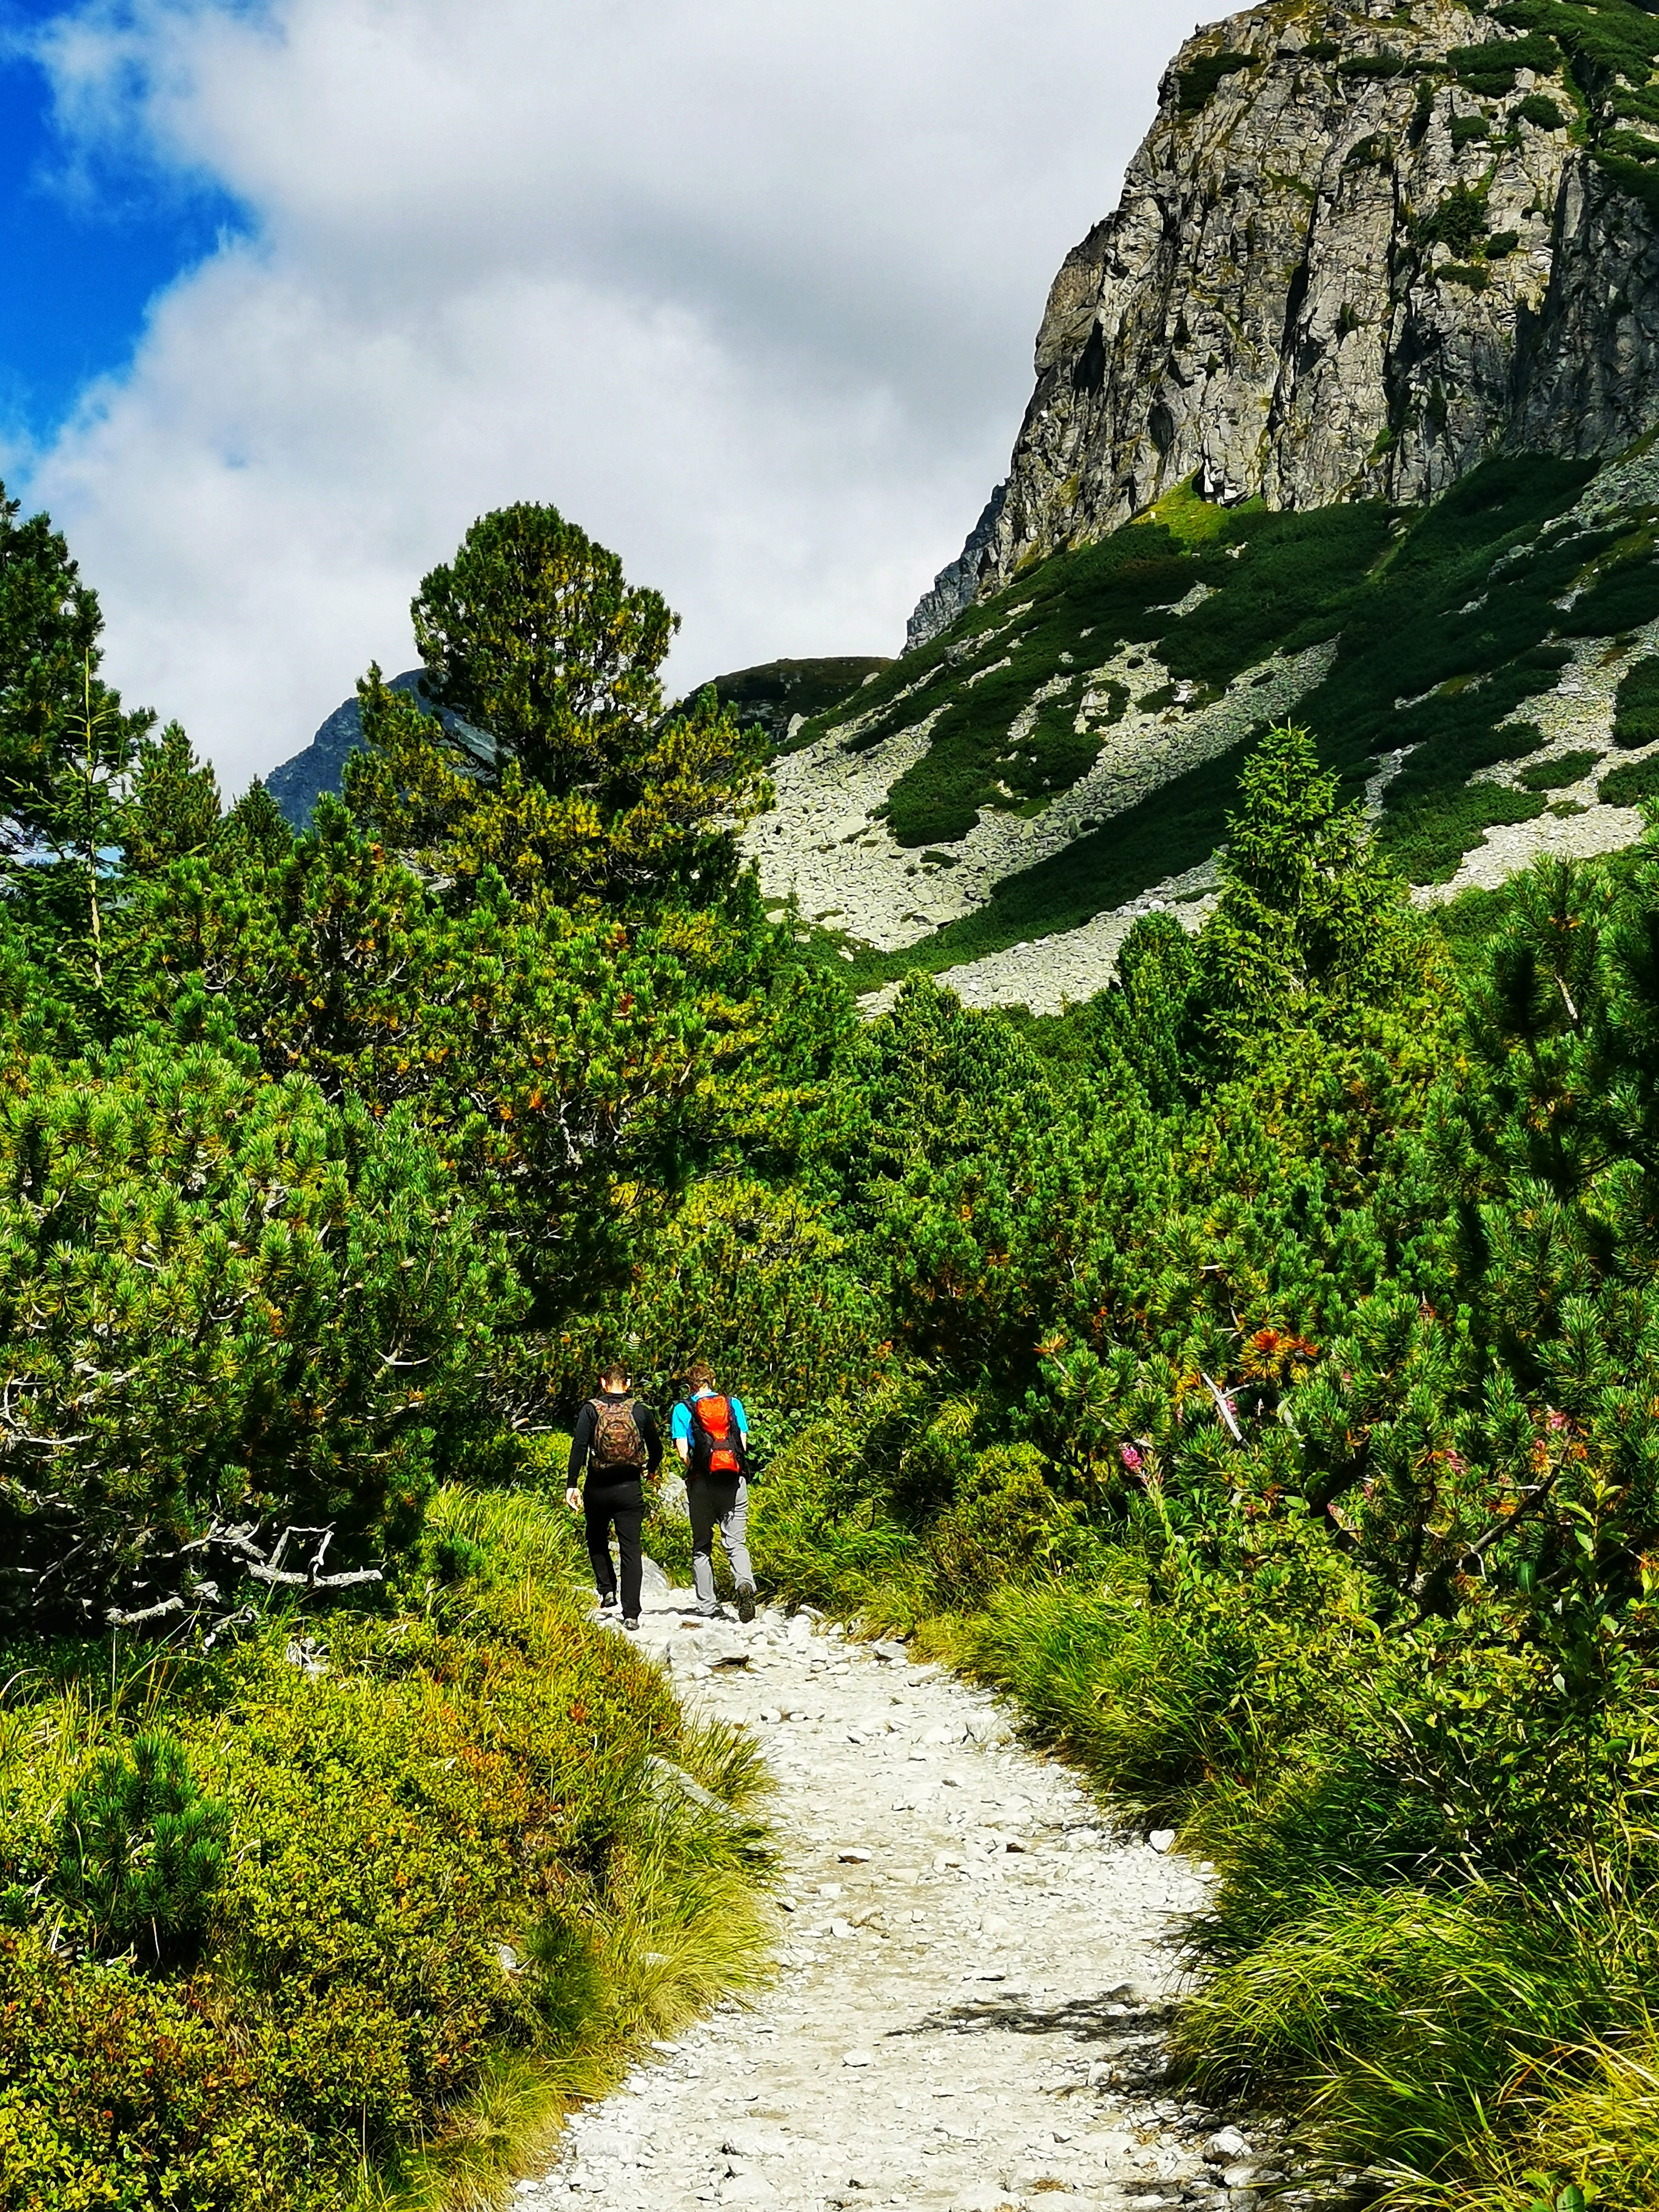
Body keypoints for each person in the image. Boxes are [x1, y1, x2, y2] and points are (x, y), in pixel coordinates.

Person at [566, 1360, 662, 1629]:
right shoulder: (640, 1411)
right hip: (630, 1488)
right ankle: (631, 1614)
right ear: (628, 1384)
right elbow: (656, 1448)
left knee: (596, 1538)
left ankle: (607, 1589)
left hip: (598, 1487)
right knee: (631, 1549)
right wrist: (651, 1469)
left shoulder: (591, 1410)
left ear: (602, 1382)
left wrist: (571, 1484)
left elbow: (579, 1447)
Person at [672, 1359, 757, 1624]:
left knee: (701, 1547)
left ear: (690, 1385)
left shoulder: (682, 1409)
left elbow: (683, 1453)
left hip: (702, 1484)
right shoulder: (733, 1404)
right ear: (713, 1382)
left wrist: (699, 1468)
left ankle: (708, 1606)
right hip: (734, 1482)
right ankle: (744, 1585)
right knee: (736, 1543)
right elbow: (741, 1444)